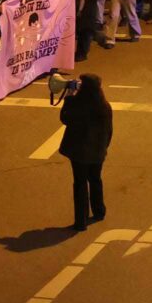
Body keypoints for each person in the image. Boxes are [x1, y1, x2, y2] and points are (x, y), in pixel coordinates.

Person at [58, 72, 114, 230]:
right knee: (96, 180)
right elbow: (109, 131)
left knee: (80, 184)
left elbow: (65, 118)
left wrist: (68, 97)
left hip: (78, 153)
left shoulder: (78, 104)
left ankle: (81, 221)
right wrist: (103, 148)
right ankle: (99, 211)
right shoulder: (104, 106)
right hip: (97, 152)